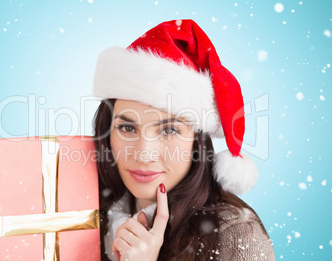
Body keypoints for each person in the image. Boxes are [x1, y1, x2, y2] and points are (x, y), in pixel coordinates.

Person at [92, 19, 275, 260]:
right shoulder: (87, 216)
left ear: (196, 142)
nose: (144, 154)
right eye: (127, 127)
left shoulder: (236, 235)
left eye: (169, 130)